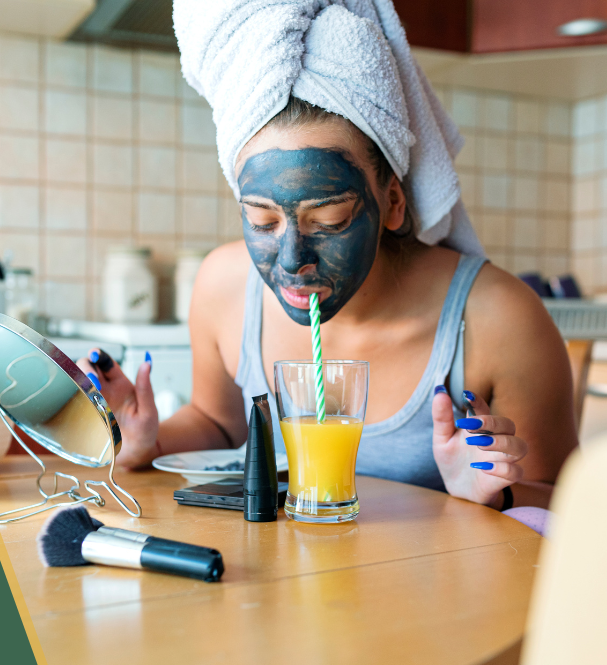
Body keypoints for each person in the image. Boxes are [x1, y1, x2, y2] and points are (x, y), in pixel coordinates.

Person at [77, 1, 578, 510]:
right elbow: (219, 425)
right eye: (262, 221)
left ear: (393, 202)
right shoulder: (223, 286)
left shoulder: (499, 319)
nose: (292, 260)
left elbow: (571, 504)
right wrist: (146, 441)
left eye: (330, 220)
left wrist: (498, 492)